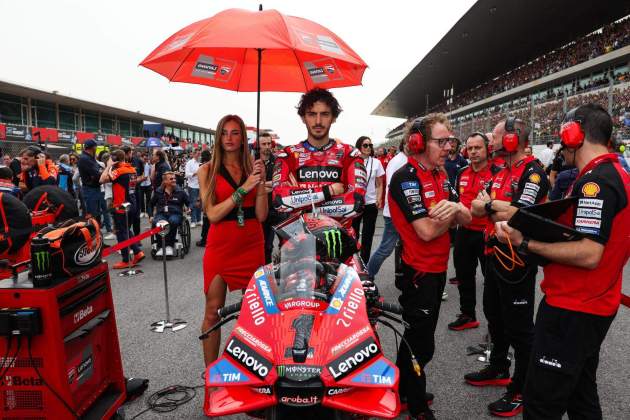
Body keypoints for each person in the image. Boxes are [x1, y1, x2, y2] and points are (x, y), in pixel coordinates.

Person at [494, 104, 629, 419]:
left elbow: (589, 253)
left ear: (575, 133)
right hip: (594, 303)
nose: (559, 144)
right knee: (581, 398)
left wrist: (525, 242)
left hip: (574, 308)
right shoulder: (615, 173)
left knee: (541, 403)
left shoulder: (596, 181)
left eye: (563, 135)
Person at [388, 114, 471, 420]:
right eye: (441, 141)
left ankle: (403, 391)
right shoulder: (406, 178)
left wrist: (455, 209)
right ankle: (417, 405)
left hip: (437, 270)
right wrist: (454, 212)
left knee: (417, 339)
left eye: (450, 140)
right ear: (418, 143)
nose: (448, 147)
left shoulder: (441, 174)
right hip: (418, 272)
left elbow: (468, 218)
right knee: (421, 345)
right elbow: (425, 230)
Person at [468, 117, 549, 417]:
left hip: (518, 259)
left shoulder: (534, 172)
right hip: (494, 255)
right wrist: (494, 207)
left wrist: (491, 206)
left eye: (498, 135)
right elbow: (477, 206)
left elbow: (522, 214)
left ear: (514, 139)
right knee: (493, 313)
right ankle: (500, 365)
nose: (492, 139)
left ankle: (521, 389)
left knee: (520, 328)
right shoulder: (501, 171)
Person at [198, 115, 267, 367]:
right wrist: (244, 188)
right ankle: (211, 379)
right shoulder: (206, 170)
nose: (229, 138)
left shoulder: (253, 168)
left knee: (255, 313)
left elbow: (261, 215)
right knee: (212, 312)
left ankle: (251, 373)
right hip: (221, 245)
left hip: (251, 242)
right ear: (218, 137)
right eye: (225, 133)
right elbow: (213, 214)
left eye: (235, 133)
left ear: (243, 138)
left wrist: (259, 182)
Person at [272, 88, 366, 230]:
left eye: (325, 114)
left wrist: (301, 205)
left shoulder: (350, 154)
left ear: (334, 118)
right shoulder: (287, 155)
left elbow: (356, 204)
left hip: (340, 243)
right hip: (298, 244)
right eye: (311, 114)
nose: (318, 121)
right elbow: (280, 201)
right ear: (303, 118)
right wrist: (329, 191)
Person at [448, 132, 495, 331]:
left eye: (478, 147)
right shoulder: (462, 172)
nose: (473, 152)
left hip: (487, 233)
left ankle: (496, 325)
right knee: (464, 275)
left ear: (487, 149)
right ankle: (468, 315)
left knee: (492, 282)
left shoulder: (498, 172)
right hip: (464, 232)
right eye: (470, 148)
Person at [366, 134, 408, 280]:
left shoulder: (408, 160)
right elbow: (392, 188)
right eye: (409, 143)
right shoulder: (397, 162)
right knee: (385, 249)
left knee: (410, 248)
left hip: (405, 212)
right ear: (404, 145)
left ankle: (408, 279)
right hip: (395, 213)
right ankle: (367, 277)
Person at [100, 149, 145, 269]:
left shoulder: (119, 171)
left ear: (114, 159)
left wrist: (108, 166)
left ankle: (127, 259)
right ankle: (136, 252)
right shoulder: (132, 169)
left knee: (121, 233)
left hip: (122, 206)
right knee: (126, 230)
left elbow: (102, 179)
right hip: (132, 203)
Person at [352, 136, 384, 263]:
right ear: (359, 147)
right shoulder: (353, 162)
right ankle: (353, 262)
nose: (368, 148)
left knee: (368, 237)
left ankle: (364, 265)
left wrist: (379, 198)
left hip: (370, 204)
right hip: (355, 203)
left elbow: (379, 183)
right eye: (365, 145)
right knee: (353, 235)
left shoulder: (376, 162)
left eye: (370, 145)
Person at [150, 171, 190, 256]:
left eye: (174, 178)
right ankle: (161, 246)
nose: (174, 180)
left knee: (173, 221)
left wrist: (189, 208)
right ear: (165, 181)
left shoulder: (180, 192)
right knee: (158, 222)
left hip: (175, 213)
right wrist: (150, 216)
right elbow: (151, 204)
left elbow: (189, 202)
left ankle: (169, 246)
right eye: (171, 179)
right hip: (161, 213)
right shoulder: (158, 192)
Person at [258, 132, 282, 264]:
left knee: (284, 244)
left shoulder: (278, 161)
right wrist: (269, 184)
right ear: (258, 145)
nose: (267, 146)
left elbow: (281, 183)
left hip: (276, 209)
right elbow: (251, 184)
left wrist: (263, 184)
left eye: (269, 143)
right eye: (264, 144)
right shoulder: (253, 161)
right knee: (264, 246)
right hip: (260, 210)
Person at [78, 140, 105, 227]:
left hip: (93, 189)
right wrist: (100, 172)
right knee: (92, 217)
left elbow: (99, 170)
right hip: (90, 190)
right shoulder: (85, 158)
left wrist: (100, 172)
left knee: (96, 215)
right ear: (92, 147)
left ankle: (97, 236)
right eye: (95, 146)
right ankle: (93, 236)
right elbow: (97, 174)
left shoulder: (89, 157)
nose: (96, 148)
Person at [196, 150, 211, 247]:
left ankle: (205, 239)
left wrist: (199, 199)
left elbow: (202, 186)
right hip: (214, 194)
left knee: (206, 219)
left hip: (207, 195)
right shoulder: (213, 166)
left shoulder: (203, 168)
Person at [185, 149, 202, 228]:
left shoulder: (201, 162)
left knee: (200, 204)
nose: (199, 155)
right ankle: (193, 220)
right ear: (194, 154)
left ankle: (198, 220)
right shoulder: (189, 163)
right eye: (198, 154)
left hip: (201, 186)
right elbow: (187, 174)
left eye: (200, 154)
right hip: (193, 186)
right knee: (193, 203)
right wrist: (195, 173)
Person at [139, 153, 153, 218]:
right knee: (141, 199)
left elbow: (151, 173)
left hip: (148, 184)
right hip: (141, 184)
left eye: (146, 159)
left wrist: (150, 178)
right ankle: (142, 211)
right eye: (144, 159)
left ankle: (147, 211)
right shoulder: (139, 165)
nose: (145, 160)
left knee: (148, 199)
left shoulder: (149, 165)